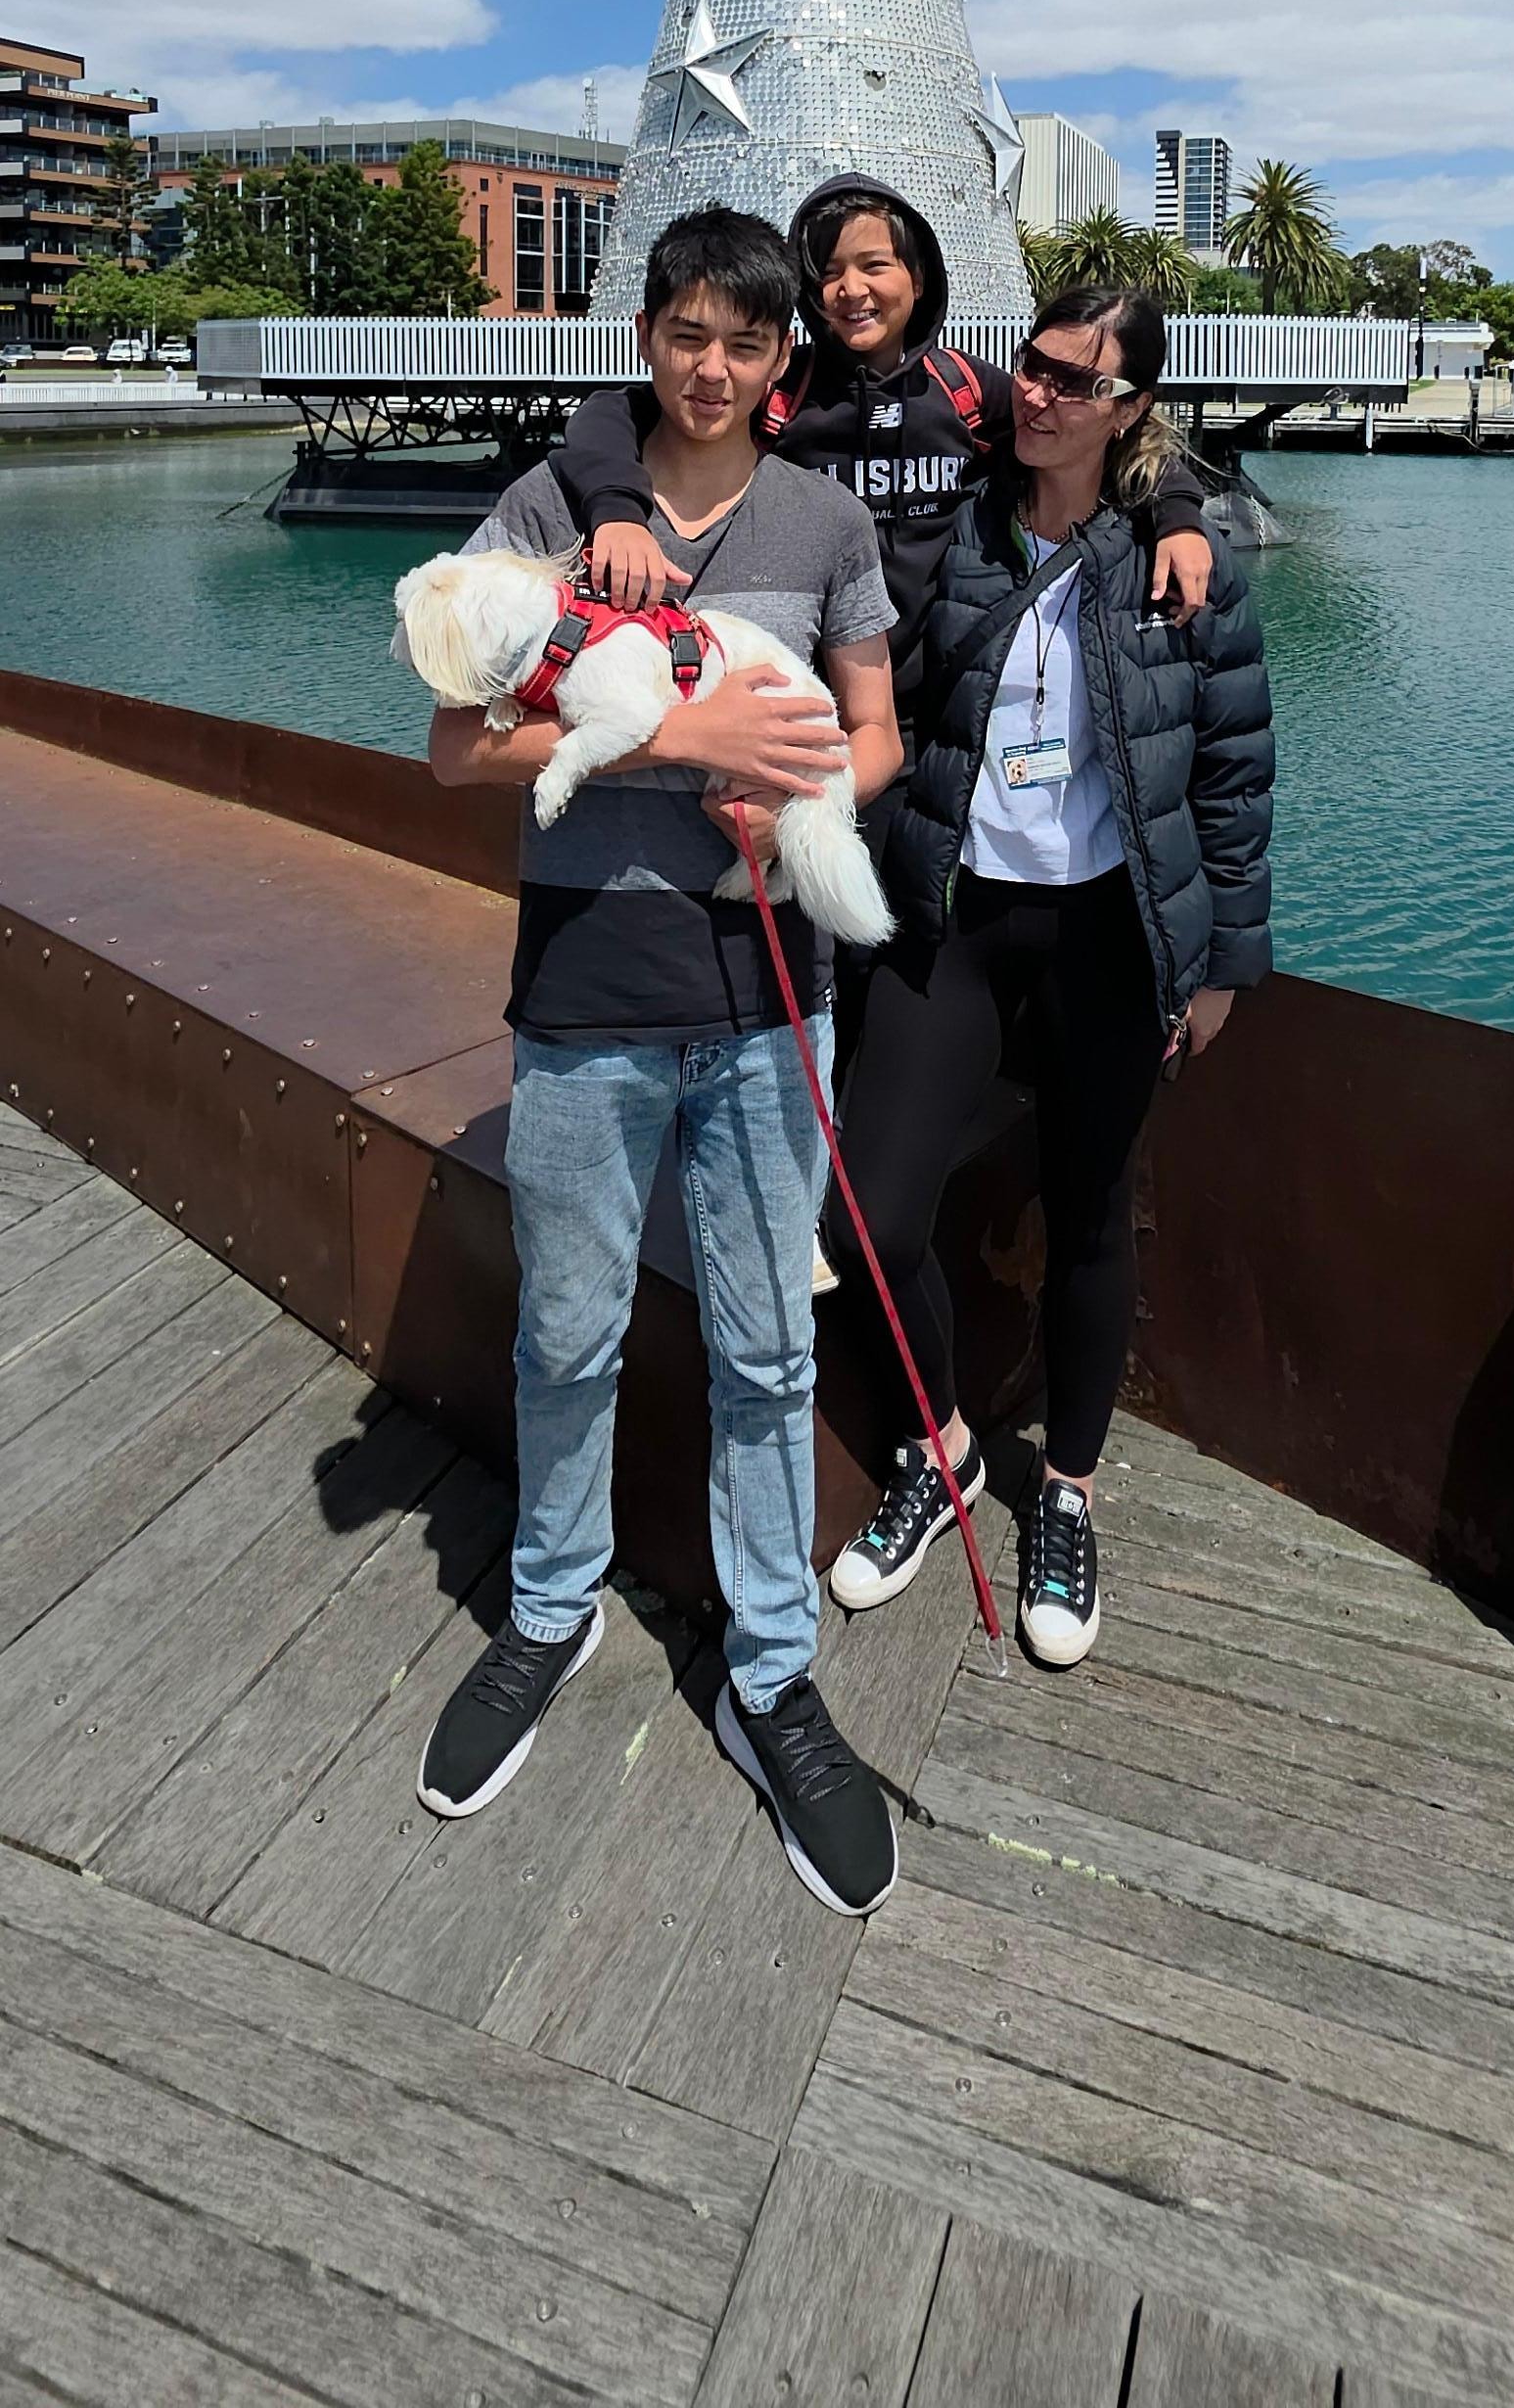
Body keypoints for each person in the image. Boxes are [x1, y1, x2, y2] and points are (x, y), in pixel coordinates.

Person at [416, 204, 905, 1919]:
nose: (713, 366)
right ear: (645, 339)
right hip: (584, 998)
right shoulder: (552, 507)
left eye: (746, 342)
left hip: (774, 1008)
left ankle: (770, 1667)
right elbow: (449, 744)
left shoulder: (828, 518)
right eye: (686, 335)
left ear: (785, 363)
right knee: (567, 1333)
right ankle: (546, 1610)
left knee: (773, 1353)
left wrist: (799, 804)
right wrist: (684, 733)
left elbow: (874, 730)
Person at [824, 282, 1273, 1667]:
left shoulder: (1182, 557)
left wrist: (1222, 966)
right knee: (867, 1223)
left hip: (1108, 933)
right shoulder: (948, 523)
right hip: (952, 913)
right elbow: (867, 662)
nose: (1040, 396)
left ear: (1130, 406)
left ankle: (1067, 1492)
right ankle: (945, 1447)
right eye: (1034, 365)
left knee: (1091, 1219)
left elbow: (1234, 773)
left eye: (1079, 383)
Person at [554, 175, 1215, 892]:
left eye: (875, 265)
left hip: (918, 737)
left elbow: (1103, 441)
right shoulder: (781, 386)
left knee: (890, 936)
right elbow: (609, 416)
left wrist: (1177, 513)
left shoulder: (965, 391)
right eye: (830, 271)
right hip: (795, 722)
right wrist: (618, 511)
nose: (851, 289)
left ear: (919, 276)